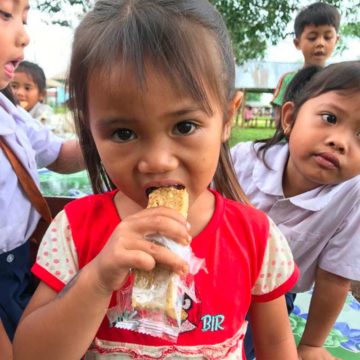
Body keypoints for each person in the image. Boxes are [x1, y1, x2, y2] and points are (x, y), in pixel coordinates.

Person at [13, 1, 300, 359]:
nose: (157, 161)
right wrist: (99, 278)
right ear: (89, 127)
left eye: (185, 126)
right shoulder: (75, 230)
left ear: (228, 117)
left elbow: (276, 346)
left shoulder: (255, 237)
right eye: (123, 133)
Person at [231, 61, 360, 360]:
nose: (339, 142)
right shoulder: (245, 161)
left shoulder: (353, 196)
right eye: (330, 118)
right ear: (289, 118)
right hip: (217, 276)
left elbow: (334, 277)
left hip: (274, 293)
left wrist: (313, 344)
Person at [0, 0, 84, 357]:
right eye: (5, 15)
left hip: (16, 267)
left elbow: (60, 156)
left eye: (25, 18)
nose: (24, 35)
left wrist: (111, 131)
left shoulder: (8, 111)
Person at [271, 1, 340, 125]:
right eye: (312, 37)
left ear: (336, 40)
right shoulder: (288, 80)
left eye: (327, 37)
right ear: (297, 43)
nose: (320, 43)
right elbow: (278, 117)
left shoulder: (337, 81)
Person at [10, 60, 56, 127]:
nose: (19, 93)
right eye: (14, 86)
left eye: (27, 88)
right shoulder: (6, 109)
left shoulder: (43, 112)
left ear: (41, 94)